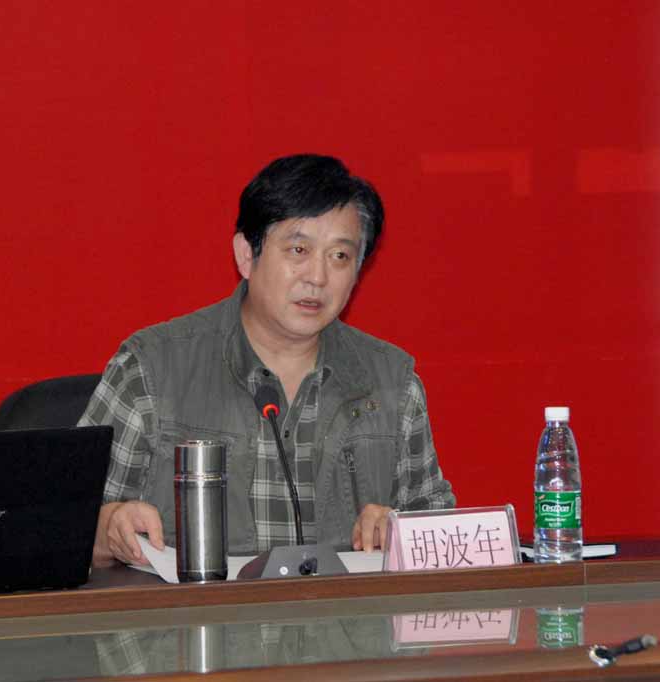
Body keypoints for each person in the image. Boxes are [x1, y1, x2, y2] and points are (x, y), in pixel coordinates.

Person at [80, 154, 455, 568]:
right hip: (193, 611)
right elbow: (59, 530)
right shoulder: (150, 369)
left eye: (340, 257)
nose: (317, 277)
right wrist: (109, 526)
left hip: (346, 611)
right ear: (246, 255)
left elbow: (446, 546)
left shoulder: (392, 384)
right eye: (298, 249)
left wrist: (404, 532)